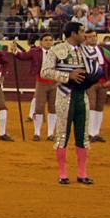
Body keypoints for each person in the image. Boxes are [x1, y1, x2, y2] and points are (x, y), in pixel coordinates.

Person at [41, 22, 102, 186]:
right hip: (64, 96)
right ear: (73, 34)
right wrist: (68, 76)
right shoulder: (56, 49)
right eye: (82, 32)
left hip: (82, 96)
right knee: (62, 136)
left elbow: (96, 69)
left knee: (83, 136)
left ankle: (82, 173)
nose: (85, 35)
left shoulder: (87, 51)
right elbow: (45, 71)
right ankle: (63, 173)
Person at [13, 34, 58, 142]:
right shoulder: (35, 52)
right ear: (41, 42)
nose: (48, 42)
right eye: (46, 40)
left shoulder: (57, 52)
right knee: (39, 108)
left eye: (50, 40)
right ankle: (37, 133)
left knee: (53, 109)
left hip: (55, 82)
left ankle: (50, 133)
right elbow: (23, 56)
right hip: (41, 82)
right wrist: (15, 52)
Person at [81, 28, 110, 143]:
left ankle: (96, 133)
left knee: (99, 108)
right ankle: (89, 133)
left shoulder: (105, 51)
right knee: (91, 106)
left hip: (103, 83)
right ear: (85, 39)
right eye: (89, 37)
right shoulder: (82, 52)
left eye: (94, 36)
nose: (93, 38)